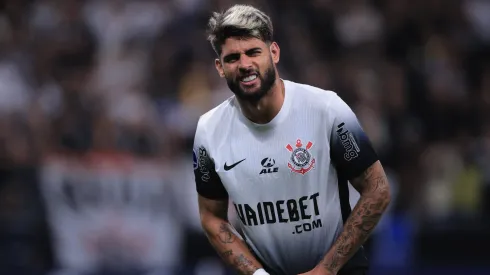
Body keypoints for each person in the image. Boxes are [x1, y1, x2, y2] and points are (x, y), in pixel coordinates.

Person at [192, 4, 391, 275]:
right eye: (233, 58)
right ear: (220, 67)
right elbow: (211, 216)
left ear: (274, 52)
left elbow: (378, 189)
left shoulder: (326, 110)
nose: (245, 65)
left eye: (253, 52)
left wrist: (326, 269)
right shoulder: (208, 130)